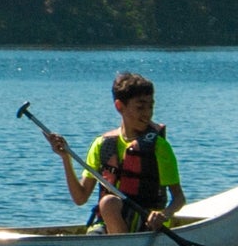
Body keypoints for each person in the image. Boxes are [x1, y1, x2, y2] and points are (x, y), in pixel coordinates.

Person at [41, 71, 184, 233]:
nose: (147, 113)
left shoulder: (159, 146)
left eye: (151, 106)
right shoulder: (101, 144)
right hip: (109, 220)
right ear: (119, 106)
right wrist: (65, 158)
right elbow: (80, 198)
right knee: (105, 210)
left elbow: (178, 198)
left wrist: (163, 214)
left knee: (108, 203)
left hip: (147, 224)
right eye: (140, 107)